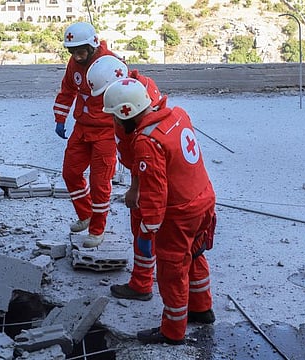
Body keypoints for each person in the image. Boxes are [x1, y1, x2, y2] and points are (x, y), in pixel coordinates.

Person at [103, 78, 217, 345]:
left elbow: (155, 192)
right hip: (203, 199)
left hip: (180, 213)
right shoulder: (177, 114)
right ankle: (202, 308)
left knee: (172, 270)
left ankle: (173, 331)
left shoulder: (146, 141)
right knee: (196, 253)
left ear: (127, 112)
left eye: (116, 119)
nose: (116, 125)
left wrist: (148, 227)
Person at [86, 55, 165, 301]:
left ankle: (144, 285)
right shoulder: (142, 92)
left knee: (145, 230)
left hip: (150, 176)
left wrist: (135, 188)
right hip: (157, 171)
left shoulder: (130, 113)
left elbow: (143, 155)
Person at [52, 22, 118, 248]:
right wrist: (60, 118)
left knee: (100, 182)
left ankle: (97, 229)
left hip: (107, 131)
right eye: (72, 51)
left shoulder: (111, 64)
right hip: (82, 127)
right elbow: (68, 90)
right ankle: (86, 213)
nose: (77, 56)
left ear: (92, 45)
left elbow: (126, 95)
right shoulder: (74, 63)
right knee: (70, 172)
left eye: (80, 51)